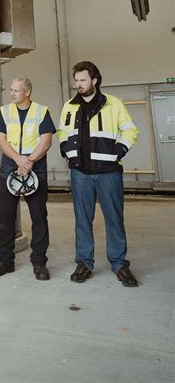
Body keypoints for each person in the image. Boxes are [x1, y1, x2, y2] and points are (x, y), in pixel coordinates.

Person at [58, 61, 140, 287]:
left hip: (108, 173)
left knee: (114, 219)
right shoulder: (70, 106)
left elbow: (131, 129)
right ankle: (84, 262)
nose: (79, 84)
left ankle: (120, 264)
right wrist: (67, 151)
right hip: (80, 173)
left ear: (94, 80)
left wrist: (118, 150)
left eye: (83, 80)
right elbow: (62, 131)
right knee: (82, 220)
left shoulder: (113, 104)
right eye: (76, 80)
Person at [0, 77, 56, 281]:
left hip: (35, 166)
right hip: (11, 164)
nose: (11, 94)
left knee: (39, 217)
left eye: (16, 90)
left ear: (27, 92)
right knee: (6, 218)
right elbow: (0, 139)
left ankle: (39, 262)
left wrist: (29, 161)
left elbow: (46, 140)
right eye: (11, 90)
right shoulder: (5, 111)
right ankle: (5, 261)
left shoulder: (42, 111)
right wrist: (18, 159)